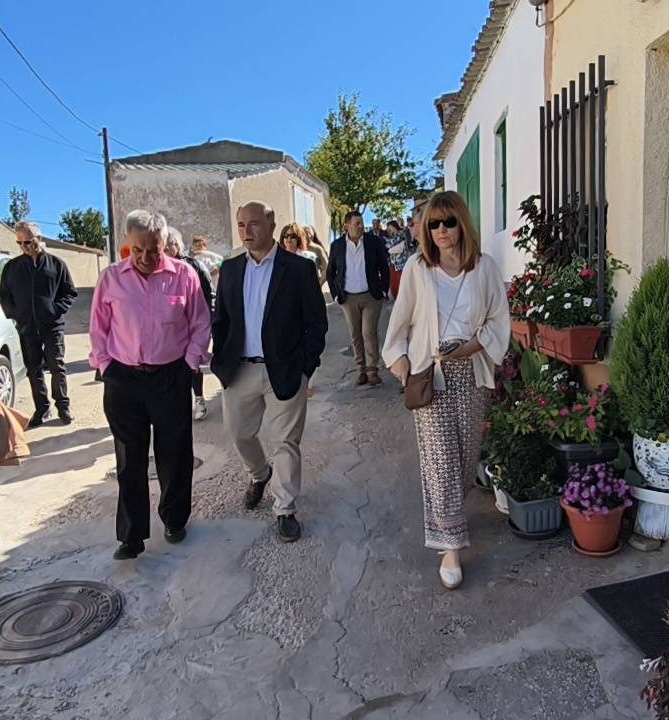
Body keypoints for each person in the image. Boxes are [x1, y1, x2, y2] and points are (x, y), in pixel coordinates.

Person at [381, 191, 510, 590]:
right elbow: (399, 323)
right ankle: (450, 547)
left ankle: (452, 514)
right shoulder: (419, 269)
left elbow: (497, 319)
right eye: (432, 224)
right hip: (430, 376)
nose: (439, 231)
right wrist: (400, 364)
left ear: (462, 224)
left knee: (465, 458)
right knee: (440, 462)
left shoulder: (483, 268)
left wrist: (471, 347)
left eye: (447, 223)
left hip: (469, 374)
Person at [90, 210, 211, 560]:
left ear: (164, 245)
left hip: (170, 375)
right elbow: (98, 327)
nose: (146, 257)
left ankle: (174, 519)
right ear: (128, 245)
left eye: (154, 250)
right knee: (129, 458)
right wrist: (105, 365)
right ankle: (131, 536)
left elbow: (200, 322)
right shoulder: (112, 279)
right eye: (139, 250)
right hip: (123, 378)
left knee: (174, 453)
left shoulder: (184, 276)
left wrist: (190, 363)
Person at [212, 202, 327, 543]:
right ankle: (259, 474)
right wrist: (221, 361)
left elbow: (316, 323)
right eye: (241, 224)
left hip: (286, 369)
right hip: (241, 369)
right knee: (238, 432)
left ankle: (285, 509)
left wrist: (307, 366)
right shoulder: (230, 269)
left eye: (254, 223)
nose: (247, 231)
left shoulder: (298, 269)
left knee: (286, 442)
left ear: (272, 222)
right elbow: (222, 321)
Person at [0, 221, 79, 428]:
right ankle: (42, 408)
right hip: (26, 328)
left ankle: (63, 406)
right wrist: (14, 314)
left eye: (29, 241)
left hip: (52, 326)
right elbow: (5, 295)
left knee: (56, 366)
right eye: (21, 242)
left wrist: (55, 310)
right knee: (33, 369)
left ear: (40, 239)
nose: (25, 246)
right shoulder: (12, 268)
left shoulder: (56, 265)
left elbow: (69, 293)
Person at [326, 211, 390, 387]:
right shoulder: (337, 246)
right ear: (347, 226)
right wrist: (336, 295)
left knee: (368, 332)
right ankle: (360, 369)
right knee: (355, 334)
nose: (361, 227)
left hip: (371, 296)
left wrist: (383, 290)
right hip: (348, 298)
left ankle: (372, 370)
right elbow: (330, 273)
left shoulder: (373, 242)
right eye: (357, 224)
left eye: (362, 223)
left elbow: (384, 267)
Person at [165, 228, 215, 421]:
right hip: (170, 331)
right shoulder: (159, 269)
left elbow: (209, 295)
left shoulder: (194, 266)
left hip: (191, 327)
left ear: (176, 246)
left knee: (192, 367)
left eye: (167, 247)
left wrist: (207, 325)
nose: (164, 252)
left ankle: (199, 399)